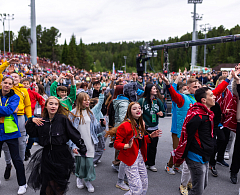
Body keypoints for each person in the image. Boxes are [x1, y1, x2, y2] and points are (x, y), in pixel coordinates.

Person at [25, 96, 87, 195]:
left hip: (61, 155)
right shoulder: (42, 121)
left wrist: (82, 147)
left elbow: (73, 134)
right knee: (47, 183)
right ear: (46, 106)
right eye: (51, 104)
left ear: (58, 106)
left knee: (58, 184)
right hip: (47, 155)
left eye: (56, 104)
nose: (53, 106)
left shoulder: (62, 119)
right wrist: (31, 121)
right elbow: (33, 134)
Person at [114, 102, 162, 195]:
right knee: (137, 189)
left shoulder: (139, 123)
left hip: (139, 156)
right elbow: (116, 144)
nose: (138, 110)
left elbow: (139, 140)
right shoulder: (125, 125)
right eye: (134, 108)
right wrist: (126, 146)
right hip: (130, 158)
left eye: (139, 108)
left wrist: (150, 136)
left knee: (144, 185)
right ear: (129, 111)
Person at [0, 60, 32, 181]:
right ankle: (9, 164)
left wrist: (29, 118)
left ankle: (20, 162)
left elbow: (28, 105)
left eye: (15, 77)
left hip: (20, 117)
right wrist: (7, 63)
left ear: (18, 80)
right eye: (10, 76)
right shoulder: (4, 88)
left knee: (21, 142)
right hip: (6, 118)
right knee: (6, 146)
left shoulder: (23, 91)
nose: (12, 78)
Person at [68, 92, 106, 193]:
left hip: (90, 142)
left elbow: (96, 130)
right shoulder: (72, 113)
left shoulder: (91, 113)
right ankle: (79, 178)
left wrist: (102, 125)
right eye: (85, 100)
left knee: (89, 163)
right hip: (78, 143)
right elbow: (70, 132)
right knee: (81, 163)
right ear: (80, 101)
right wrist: (73, 145)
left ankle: (88, 180)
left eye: (88, 99)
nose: (88, 101)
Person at [0, 76, 28, 194]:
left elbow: (8, 111)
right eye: (5, 82)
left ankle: (22, 184)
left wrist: (8, 109)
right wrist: (6, 109)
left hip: (11, 132)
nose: (7, 85)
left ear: (12, 85)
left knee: (17, 159)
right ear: (1, 83)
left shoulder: (15, 97)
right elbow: (7, 110)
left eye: (9, 83)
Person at [138, 84, 165, 172]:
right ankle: (144, 163)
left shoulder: (158, 101)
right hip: (145, 128)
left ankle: (151, 164)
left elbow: (163, 112)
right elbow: (137, 113)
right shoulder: (142, 101)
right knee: (145, 147)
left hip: (155, 127)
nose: (156, 90)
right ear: (149, 90)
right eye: (154, 88)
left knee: (153, 147)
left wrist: (162, 113)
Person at [230, 66, 240, 184]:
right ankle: (234, 171)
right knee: (238, 148)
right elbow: (236, 92)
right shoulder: (237, 82)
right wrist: (236, 79)